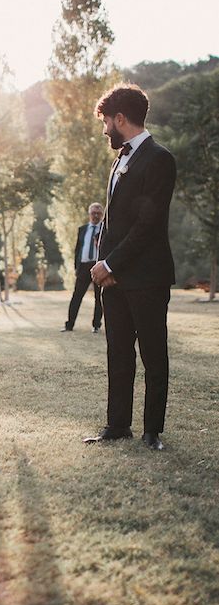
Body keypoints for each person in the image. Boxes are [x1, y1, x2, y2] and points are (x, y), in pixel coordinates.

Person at [85, 84, 177, 451]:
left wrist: (109, 262)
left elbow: (147, 225)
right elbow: (113, 222)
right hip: (114, 279)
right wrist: (101, 262)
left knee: (154, 354)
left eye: (107, 122)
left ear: (120, 119)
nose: (105, 129)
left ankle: (152, 431)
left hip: (147, 277)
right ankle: (117, 425)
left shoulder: (159, 159)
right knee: (118, 352)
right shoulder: (118, 159)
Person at [62, 202, 104, 333]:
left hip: (98, 266)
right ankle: (69, 325)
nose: (96, 216)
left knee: (99, 298)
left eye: (98, 213)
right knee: (76, 296)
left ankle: (96, 325)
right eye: (93, 213)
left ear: (102, 215)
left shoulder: (105, 229)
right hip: (83, 267)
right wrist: (76, 267)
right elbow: (77, 250)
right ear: (89, 214)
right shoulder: (82, 229)